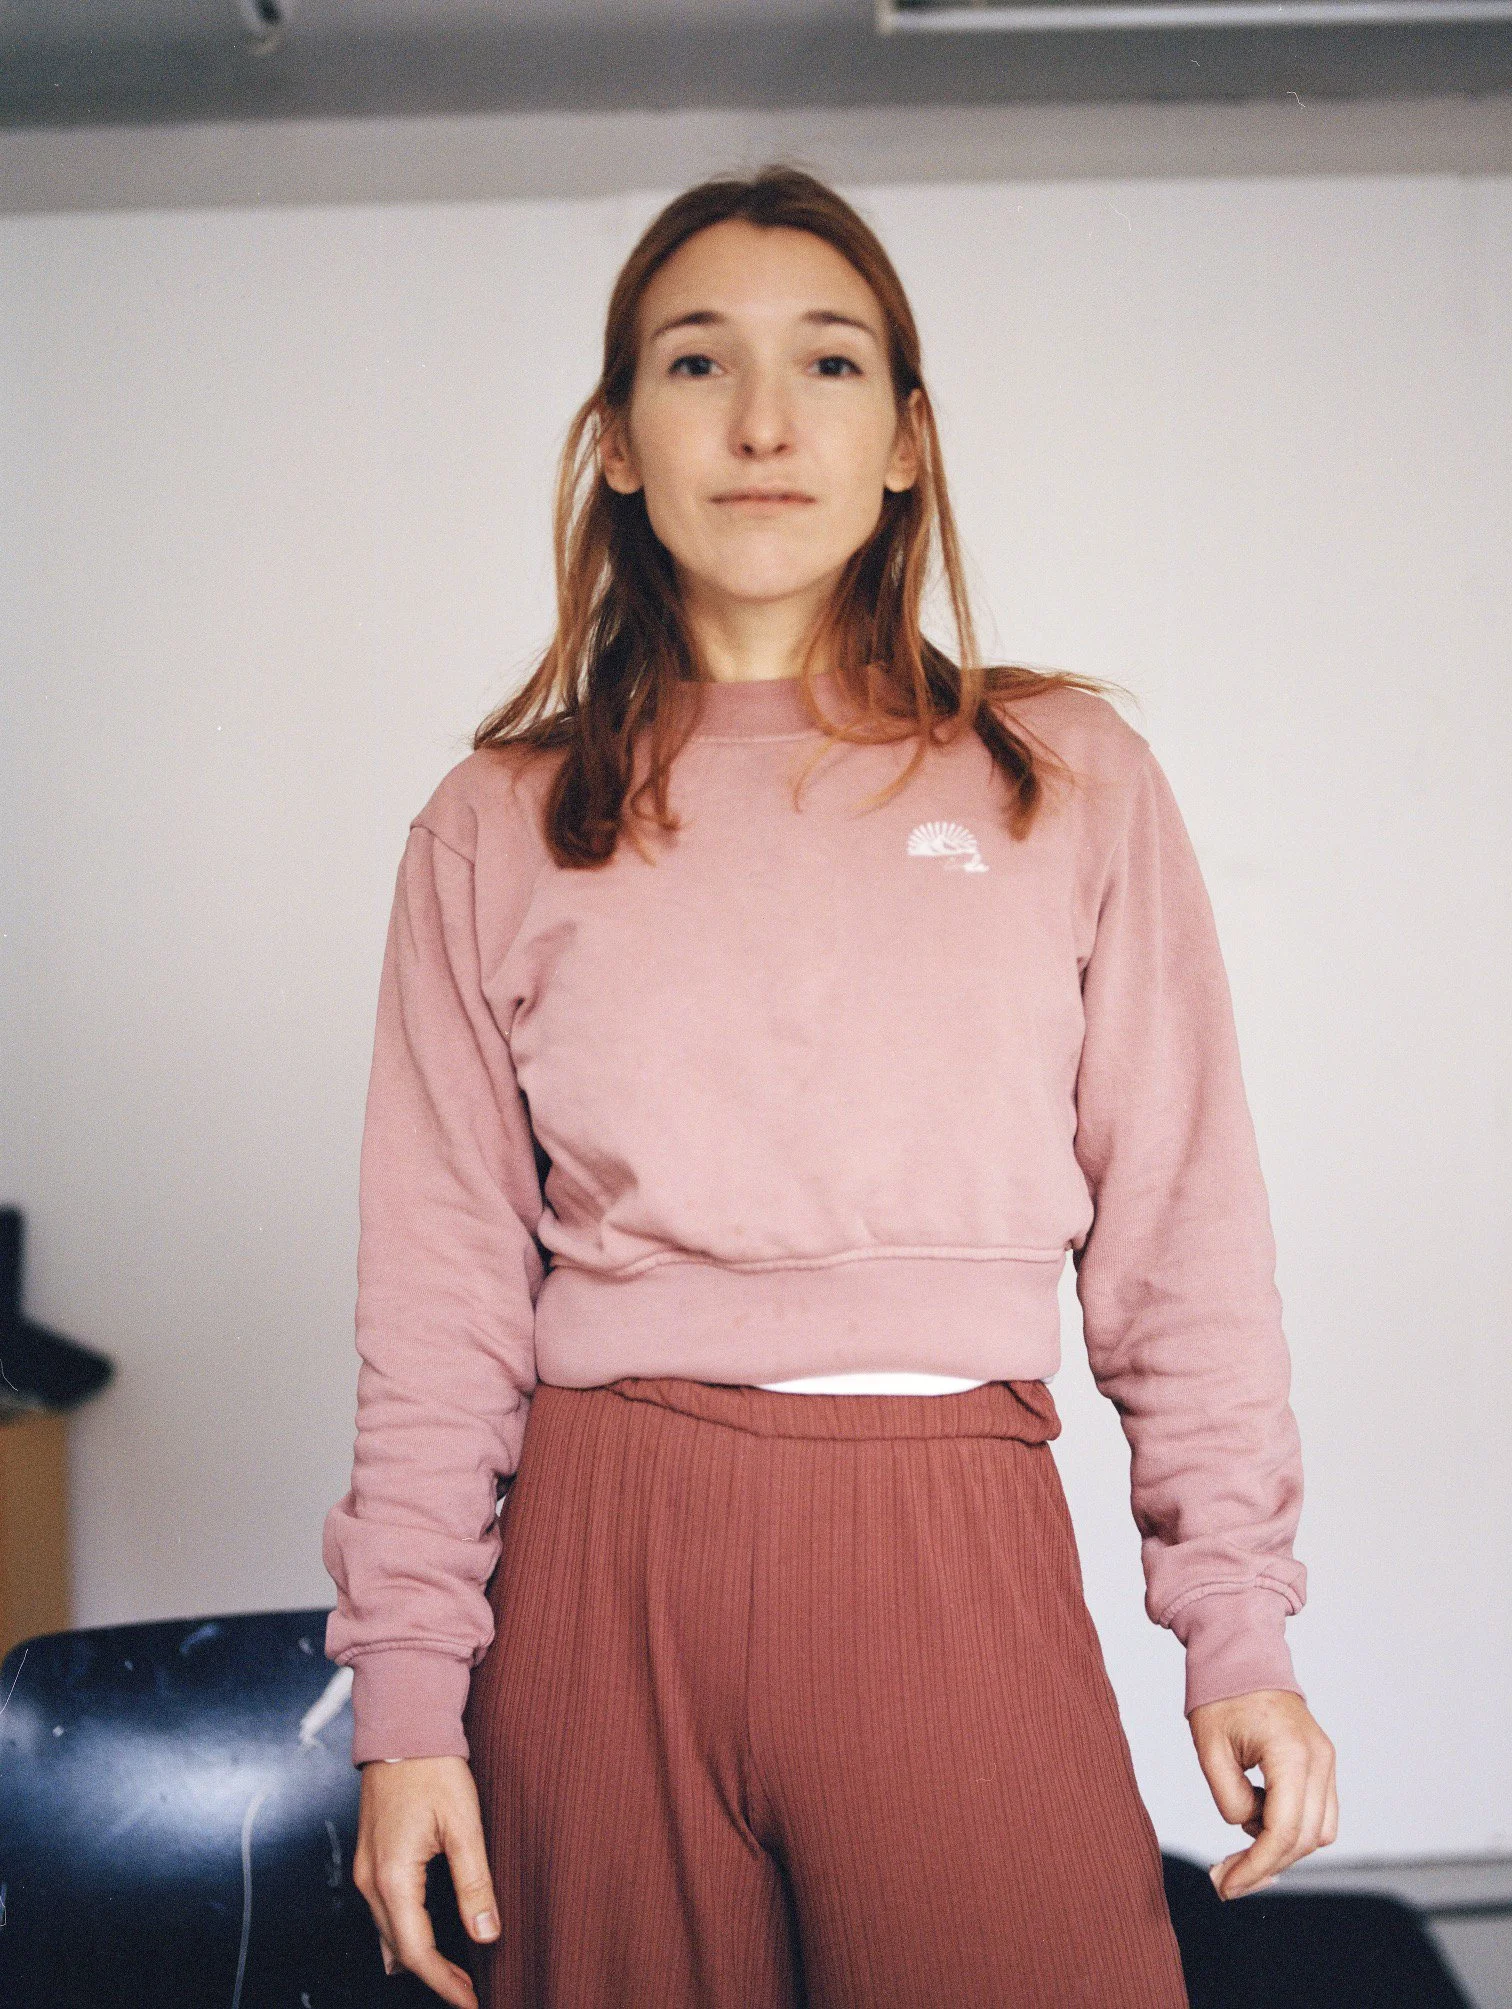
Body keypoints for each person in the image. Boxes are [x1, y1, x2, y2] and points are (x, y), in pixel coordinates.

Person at [321, 163, 1338, 2009]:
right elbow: (441, 1294)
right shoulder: (494, 825)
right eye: (698, 365)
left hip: (946, 1517)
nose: (767, 422)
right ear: (619, 440)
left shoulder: (1061, 779)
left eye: (832, 364)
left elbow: (1182, 1236)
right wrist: (406, 1701)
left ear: (906, 440)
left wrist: (1235, 1624)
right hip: (600, 1554)